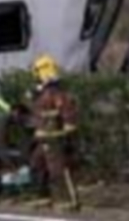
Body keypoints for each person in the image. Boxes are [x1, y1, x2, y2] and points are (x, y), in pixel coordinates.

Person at [29, 55, 80, 211]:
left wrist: (67, 130)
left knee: (57, 169)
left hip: (54, 138)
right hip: (44, 138)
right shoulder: (43, 92)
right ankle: (44, 198)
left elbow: (66, 111)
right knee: (37, 164)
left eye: (38, 73)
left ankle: (69, 201)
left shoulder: (55, 92)